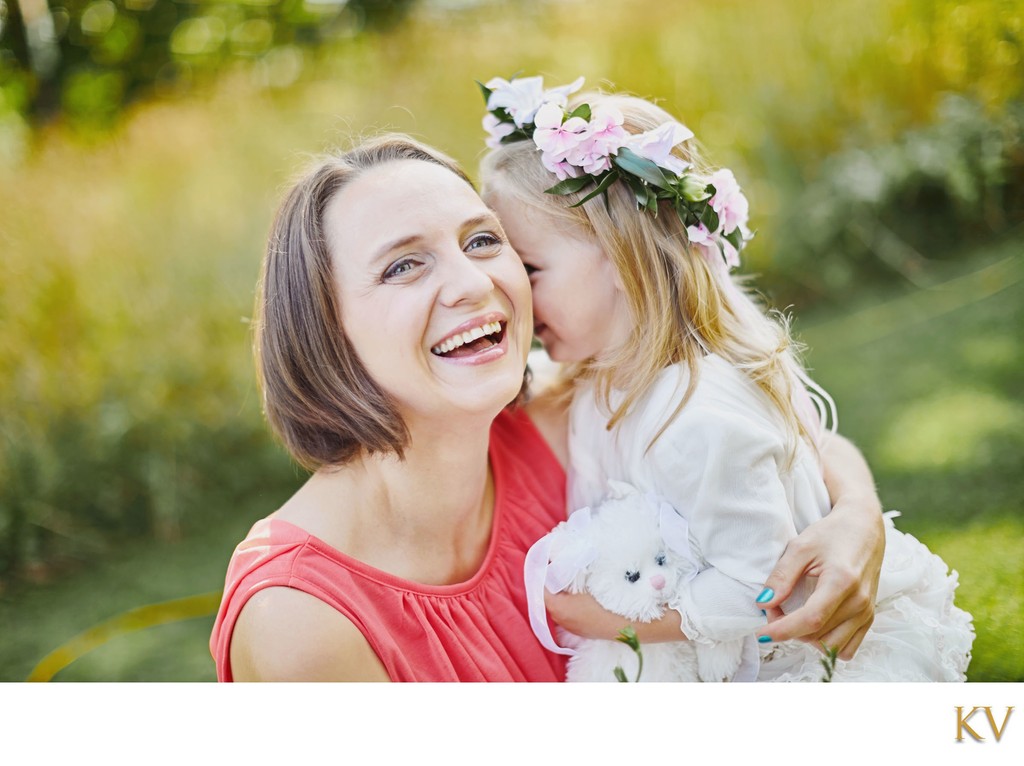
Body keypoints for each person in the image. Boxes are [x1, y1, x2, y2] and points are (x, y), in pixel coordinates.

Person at [209, 132, 888, 682]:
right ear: (323, 330)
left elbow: (780, 442)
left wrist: (856, 519)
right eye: (403, 266)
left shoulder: (569, 417)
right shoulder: (301, 624)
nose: (475, 283)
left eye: (482, 240)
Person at [478, 75, 974, 681]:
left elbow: (763, 584)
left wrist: (605, 621)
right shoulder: (599, 378)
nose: (512, 300)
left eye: (529, 269)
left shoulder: (695, 414)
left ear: (617, 253)